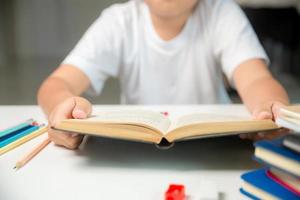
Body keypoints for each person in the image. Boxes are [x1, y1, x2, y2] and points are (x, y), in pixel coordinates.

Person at [38, 0, 289, 149]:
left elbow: (256, 78)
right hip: (139, 145)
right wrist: (63, 110)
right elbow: (58, 83)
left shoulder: (222, 12)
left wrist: (270, 107)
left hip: (217, 142)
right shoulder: (118, 21)